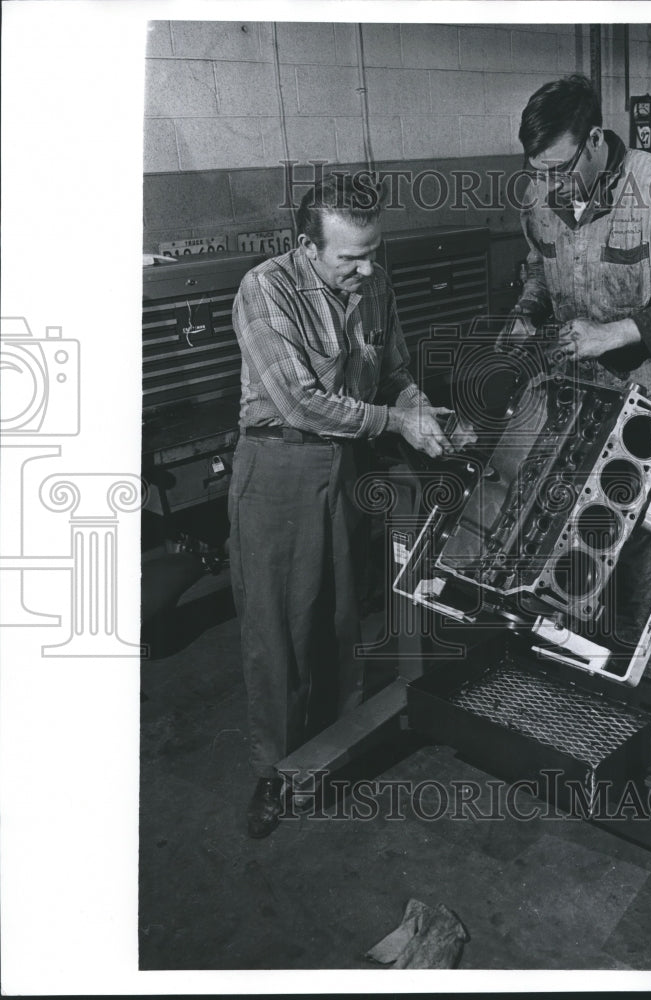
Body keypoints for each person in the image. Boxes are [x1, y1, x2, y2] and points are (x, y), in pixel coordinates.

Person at [229, 173, 456, 838]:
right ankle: (274, 774)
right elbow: (300, 402)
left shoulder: (375, 285)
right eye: (349, 257)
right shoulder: (266, 289)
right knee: (278, 633)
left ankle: (330, 753)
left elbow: (394, 372)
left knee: (338, 619)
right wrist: (395, 421)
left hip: (346, 464)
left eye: (373, 251)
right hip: (280, 464)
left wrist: (416, 408)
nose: (366, 268)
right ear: (307, 246)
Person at [502, 74, 651, 679]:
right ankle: (572, 687)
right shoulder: (539, 196)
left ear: (596, 139)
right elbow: (536, 269)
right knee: (568, 551)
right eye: (536, 170)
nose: (546, 185)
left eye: (557, 168)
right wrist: (526, 314)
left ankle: (639, 696)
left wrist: (616, 333)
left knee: (641, 555)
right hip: (576, 403)